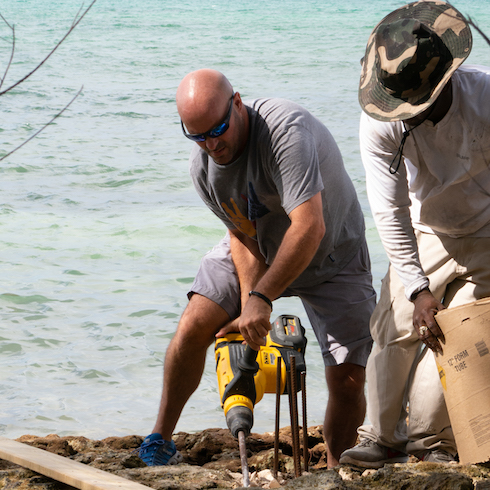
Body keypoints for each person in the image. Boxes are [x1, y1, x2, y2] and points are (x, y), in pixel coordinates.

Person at [137, 68, 376, 468]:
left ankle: (335, 470)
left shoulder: (285, 129)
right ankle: (160, 438)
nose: (211, 144)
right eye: (196, 135)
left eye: (218, 129)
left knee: (348, 379)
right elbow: (242, 233)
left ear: (237, 102)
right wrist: (251, 301)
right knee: (196, 323)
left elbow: (310, 226)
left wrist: (263, 297)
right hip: (260, 244)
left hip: (333, 254)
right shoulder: (203, 168)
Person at [339, 0, 490, 468]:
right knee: (396, 328)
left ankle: (429, 444)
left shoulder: (485, 98)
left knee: (454, 335)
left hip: (487, 233)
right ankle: (380, 438)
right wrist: (417, 287)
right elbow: (390, 209)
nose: (407, 114)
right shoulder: (380, 122)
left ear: (445, 81)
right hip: (424, 228)